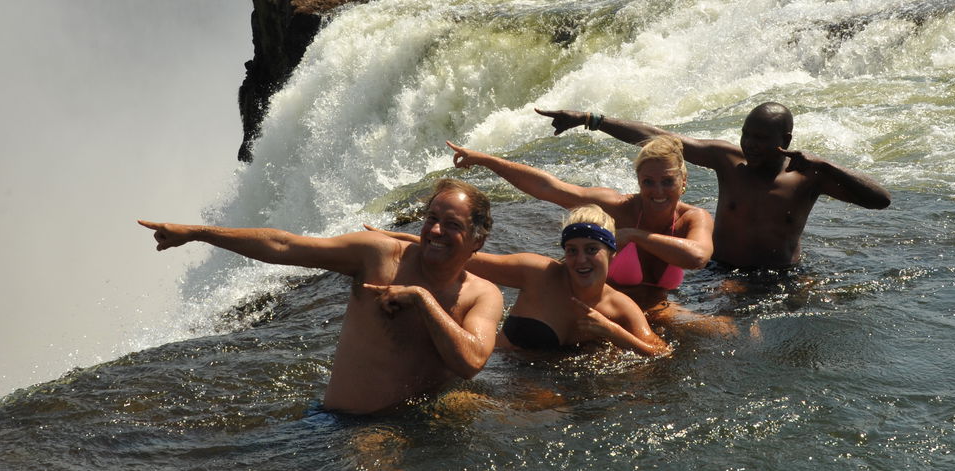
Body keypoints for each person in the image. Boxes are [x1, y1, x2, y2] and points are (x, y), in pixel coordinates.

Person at [137, 178, 504, 415]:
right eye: (431, 218)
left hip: (419, 425)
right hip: (339, 424)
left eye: (452, 225)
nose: (435, 230)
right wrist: (199, 233)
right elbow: (285, 245)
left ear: (478, 239)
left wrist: (422, 299)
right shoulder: (379, 255)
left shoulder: (482, 295)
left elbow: (471, 362)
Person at [535, 102, 891, 271]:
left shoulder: (808, 176)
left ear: (786, 139)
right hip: (719, 271)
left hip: (781, 276)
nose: (750, 144)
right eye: (746, 134)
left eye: (761, 139)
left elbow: (881, 201)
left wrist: (826, 165)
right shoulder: (727, 160)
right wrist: (590, 120)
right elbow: (660, 138)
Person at [446, 135, 713, 311]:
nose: (657, 191)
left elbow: (697, 257)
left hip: (650, 309)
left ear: (684, 181)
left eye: (668, 181)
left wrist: (633, 236)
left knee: (721, 330)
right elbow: (549, 188)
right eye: (648, 182)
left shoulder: (693, 218)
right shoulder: (618, 207)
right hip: (592, 306)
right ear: (639, 181)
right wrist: (485, 160)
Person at [373, 205, 668, 357]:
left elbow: (661, 352)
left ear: (612, 255)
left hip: (557, 398)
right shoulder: (538, 273)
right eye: (571, 251)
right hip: (496, 370)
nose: (580, 260)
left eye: (592, 250)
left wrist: (613, 331)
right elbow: (462, 255)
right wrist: (392, 240)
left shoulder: (620, 308)